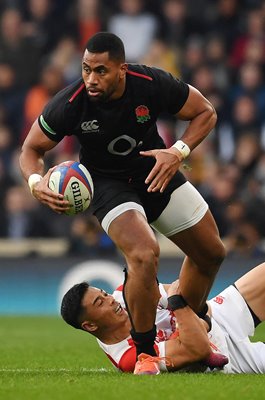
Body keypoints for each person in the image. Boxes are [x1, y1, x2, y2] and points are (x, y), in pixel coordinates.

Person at [19, 32, 226, 374]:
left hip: (156, 168)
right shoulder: (71, 102)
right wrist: (34, 182)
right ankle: (146, 353)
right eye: (86, 69)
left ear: (121, 70)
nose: (91, 79)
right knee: (144, 253)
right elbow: (30, 149)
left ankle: (188, 317)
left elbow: (205, 112)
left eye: (100, 71)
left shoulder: (150, 83)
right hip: (107, 184)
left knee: (212, 252)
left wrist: (178, 153)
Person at [60, 261, 265, 374]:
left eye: (103, 294)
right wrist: (177, 304)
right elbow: (198, 348)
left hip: (218, 314)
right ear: (90, 325)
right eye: (99, 303)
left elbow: (189, 296)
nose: (110, 300)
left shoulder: (125, 294)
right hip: (226, 357)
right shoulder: (130, 357)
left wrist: (199, 319)